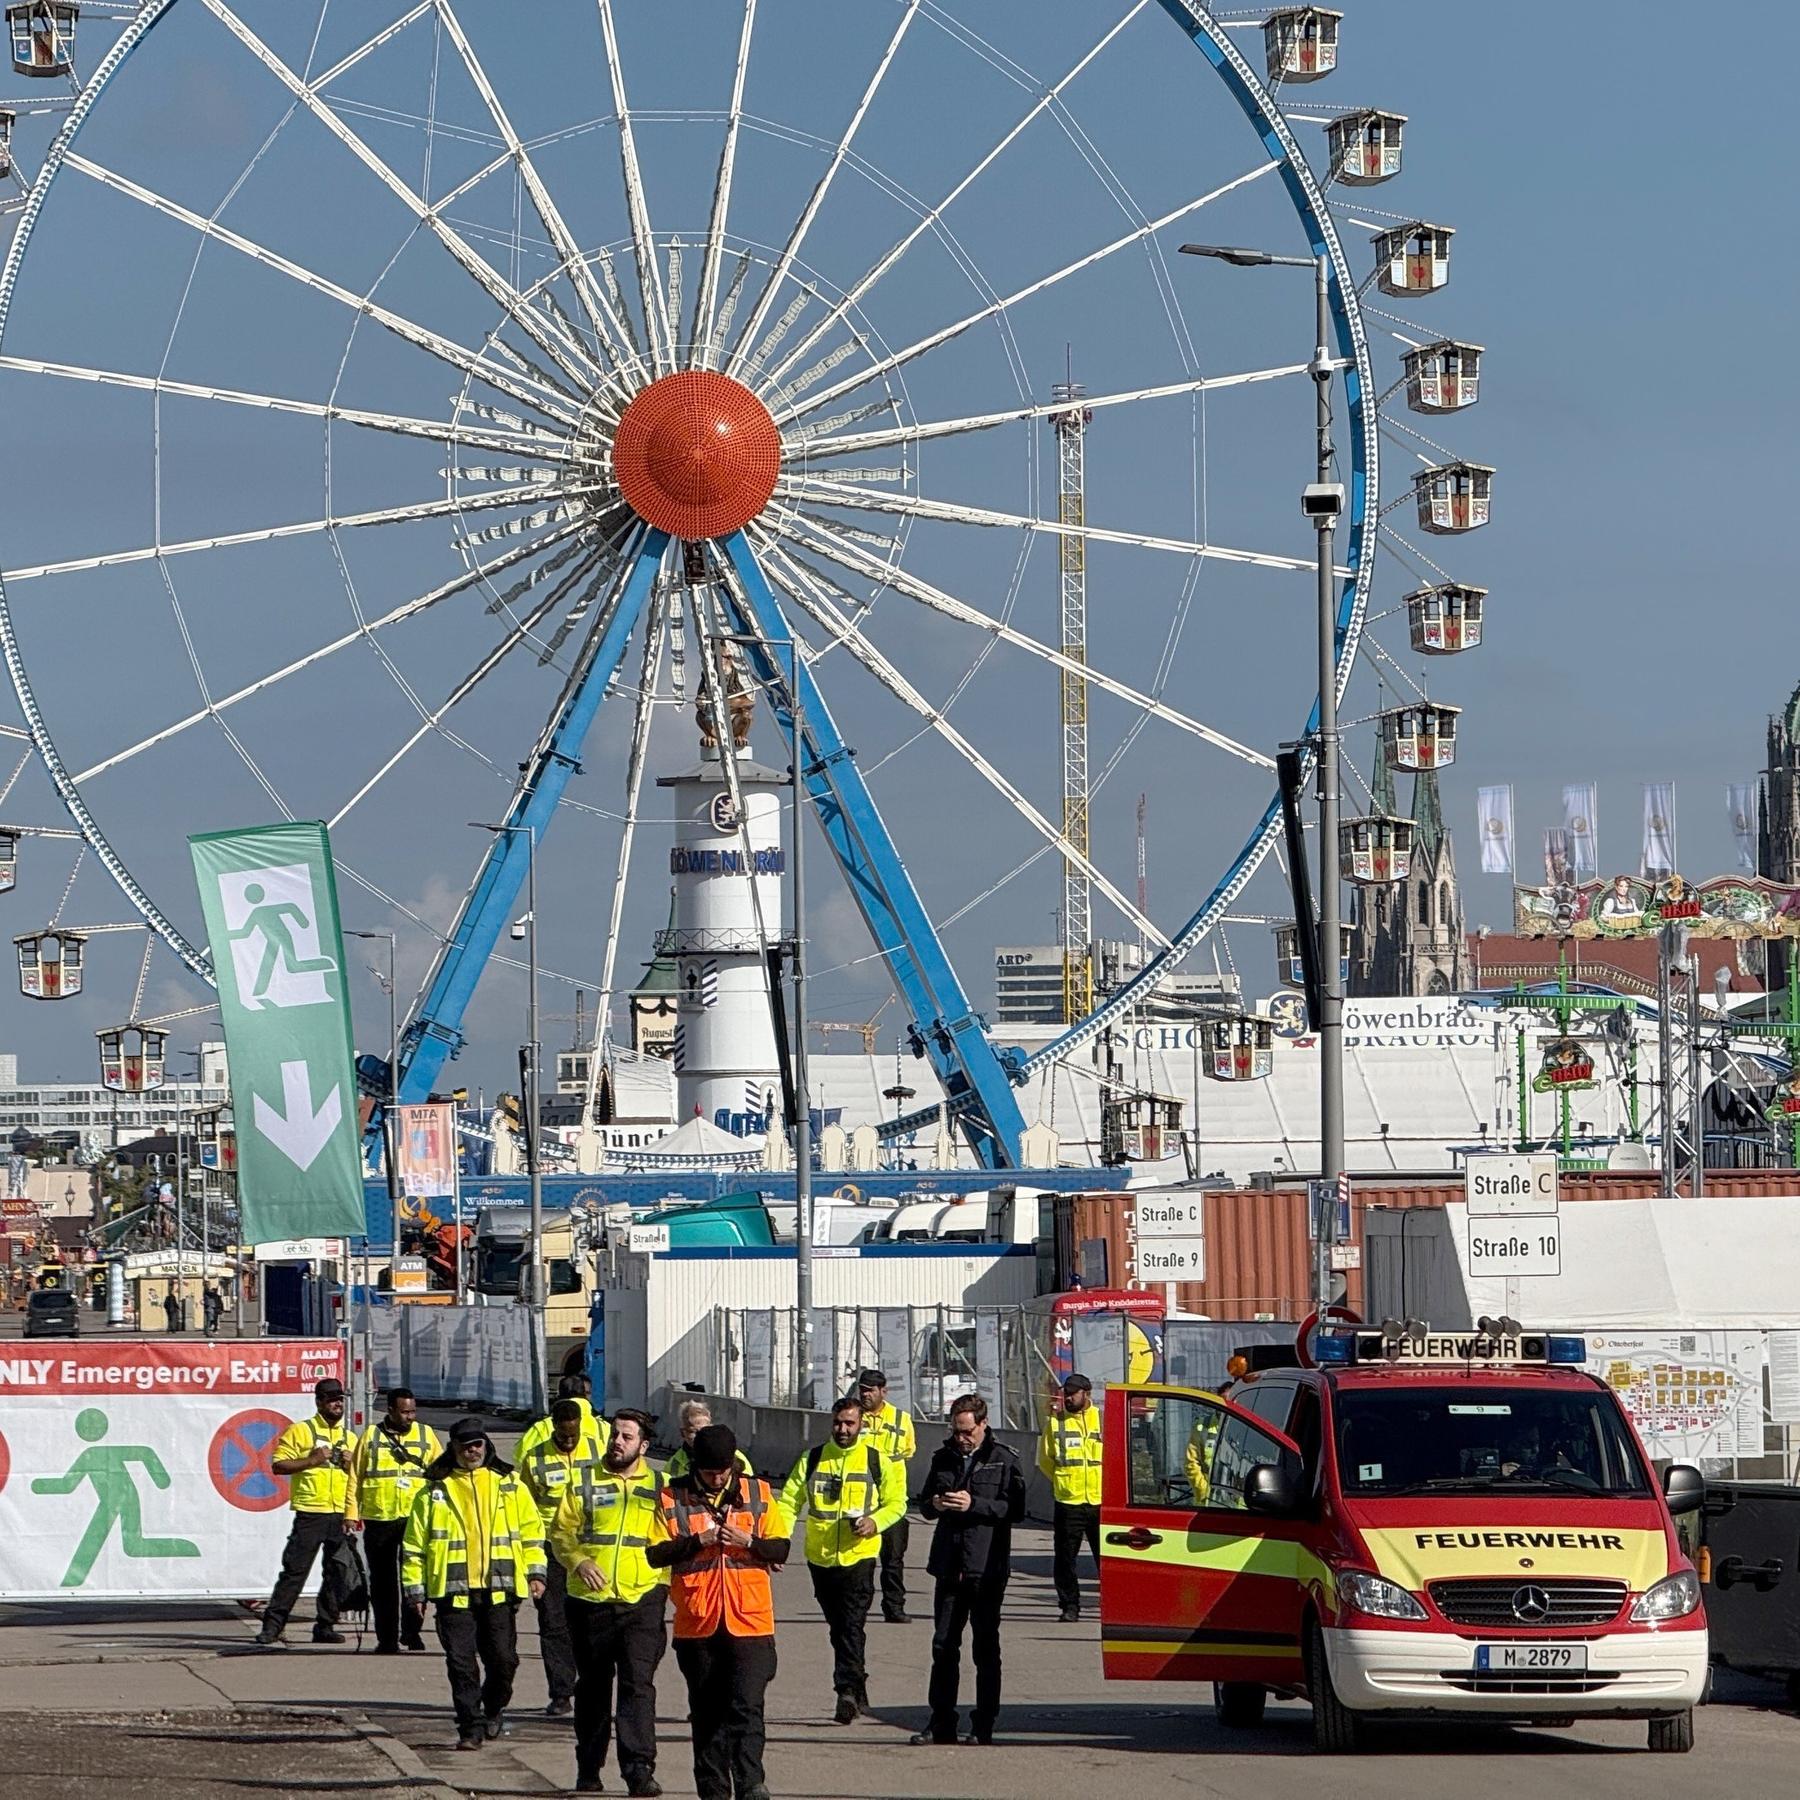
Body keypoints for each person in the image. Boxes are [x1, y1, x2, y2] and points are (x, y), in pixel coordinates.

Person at [648, 1424, 790, 1800]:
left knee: (747, 1706)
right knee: (707, 1714)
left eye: (723, 1471)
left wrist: (751, 1542)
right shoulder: (671, 1496)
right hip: (698, 1623)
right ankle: (713, 1791)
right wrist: (698, 1541)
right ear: (697, 1465)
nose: (717, 1478)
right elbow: (654, 1554)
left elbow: (781, 1548)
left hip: (751, 1621)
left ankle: (750, 1784)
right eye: (710, 1472)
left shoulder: (757, 1492)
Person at [402, 1417, 546, 1753]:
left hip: (499, 1590)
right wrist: (415, 1592)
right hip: (453, 1595)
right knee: (461, 1664)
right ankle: (470, 1726)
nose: (472, 1451)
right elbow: (413, 1548)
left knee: (504, 1661)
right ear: (453, 1448)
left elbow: (532, 1533)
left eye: (477, 1444)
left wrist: (537, 1574)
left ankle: (493, 1707)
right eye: (465, 1445)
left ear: (486, 1444)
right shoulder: (434, 1490)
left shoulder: (509, 1484)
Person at [551, 1408, 669, 1797]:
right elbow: (560, 1533)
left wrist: (662, 1588)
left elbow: (670, 1543)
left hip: (642, 1601)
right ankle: (589, 1767)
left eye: (627, 1437)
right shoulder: (583, 1480)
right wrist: (579, 1561)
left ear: (644, 1445)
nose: (617, 1442)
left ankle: (638, 1771)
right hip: (590, 1602)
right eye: (615, 1435)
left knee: (639, 1687)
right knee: (593, 1688)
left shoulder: (660, 1486)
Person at [780, 1395, 907, 1723]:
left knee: (851, 1624)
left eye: (850, 1423)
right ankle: (858, 1684)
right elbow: (789, 1501)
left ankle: (845, 1691)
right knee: (839, 1628)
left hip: (859, 1557)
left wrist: (874, 1522)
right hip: (820, 1559)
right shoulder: (813, 1459)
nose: (843, 1429)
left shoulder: (878, 1461)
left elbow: (897, 1503)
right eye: (838, 1423)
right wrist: (777, 1541)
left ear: (861, 1425)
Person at [912, 1393, 1026, 1748]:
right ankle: (941, 1720)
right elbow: (924, 1503)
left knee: (985, 1648)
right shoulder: (943, 1457)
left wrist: (974, 1503)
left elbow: (1015, 1508)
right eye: (956, 1430)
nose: (962, 1437)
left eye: (967, 1431)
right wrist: (934, 1502)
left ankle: (984, 1723)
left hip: (986, 1567)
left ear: (982, 1424)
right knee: (943, 1646)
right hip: (949, 1564)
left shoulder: (1003, 1459)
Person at [518, 1398, 607, 1717]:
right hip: (549, 1547)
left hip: (588, 1547)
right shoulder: (535, 1458)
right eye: (563, 1435)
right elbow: (524, 1505)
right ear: (553, 1426)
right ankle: (560, 1692)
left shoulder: (597, 1450)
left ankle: (592, 1688)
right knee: (553, 1621)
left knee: (591, 1621)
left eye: (574, 1434)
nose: (569, 1441)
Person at [255, 1377, 356, 1649]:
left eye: (340, 1399)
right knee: (294, 1572)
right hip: (311, 1512)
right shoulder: (301, 1431)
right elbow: (278, 1465)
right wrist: (312, 1460)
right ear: (319, 1402)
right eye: (331, 1399)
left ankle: (325, 1625)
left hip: (339, 1514)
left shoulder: (349, 1437)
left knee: (338, 1573)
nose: (337, 1404)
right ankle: (272, 1626)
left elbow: (357, 1480)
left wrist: (352, 1468)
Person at [346, 1387, 441, 1654]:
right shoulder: (371, 1437)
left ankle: (411, 1632)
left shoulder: (426, 1435)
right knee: (383, 1583)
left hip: (415, 1519)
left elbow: (442, 1474)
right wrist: (351, 1514)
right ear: (390, 1410)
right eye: (404, 1412)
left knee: (414, 1580)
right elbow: (355, 1477)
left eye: (413, 1411)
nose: (410, 1417)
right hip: (380, 1517)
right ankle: (386, 1638)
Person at [1037, 1372, 1103, 1622]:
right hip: (1069, 1502)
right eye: (1066, 1392)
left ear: (1086, 1394)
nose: (1068, 1397)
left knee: (1106, 1561)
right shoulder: (1055, 1423)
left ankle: (1107, 1604)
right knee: (1065, 1560)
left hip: (1099, 1501)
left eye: (1073, 1393)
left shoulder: (1102, 1420)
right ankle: (1070, 1605)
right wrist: (1064, 1482)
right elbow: (1045, 1461)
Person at [855, 1369, 916, 1623]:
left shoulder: (901, 1419)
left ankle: (894, 1606)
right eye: (862, 1390)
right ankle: (859, 1607)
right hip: (861, 1501)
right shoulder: (853, 1417)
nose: (865, 1395)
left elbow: (909, 1451)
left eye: (870, 1390)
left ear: (883, 1391)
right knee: (861, 1561)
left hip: (892, 1502)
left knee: (893, 1560)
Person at [666, 1400, 751, 1480]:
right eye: (693, 1431)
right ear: (682, 1433)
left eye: (704, 1430)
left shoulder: (734, 1456)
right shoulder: (675, 1463)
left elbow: (748, 1487)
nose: (699, 1436)